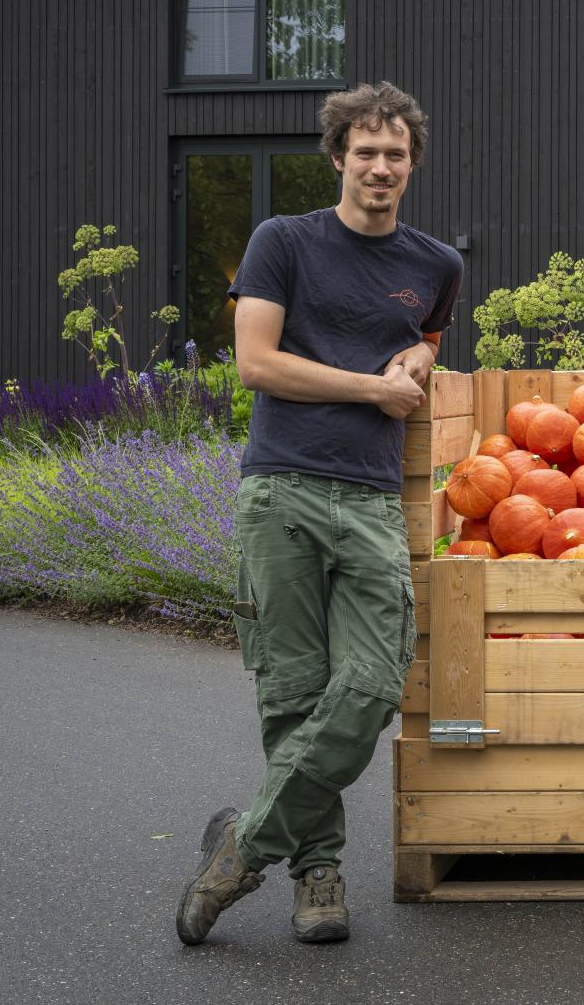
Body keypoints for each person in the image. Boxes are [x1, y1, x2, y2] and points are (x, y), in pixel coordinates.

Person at [175, 82, 462, 944]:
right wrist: (372, 388)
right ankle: (317, 873)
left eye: (395, 154)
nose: (380, 167)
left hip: (371, 498)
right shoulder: (284, 241)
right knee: (293, 693)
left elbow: (425, 343)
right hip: (283, 490)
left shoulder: (436, 265)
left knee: (372, 686)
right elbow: (257, 364)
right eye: (365, 152)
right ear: (338, 157)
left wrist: (418, 357)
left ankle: (241, 846)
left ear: (412, 164)